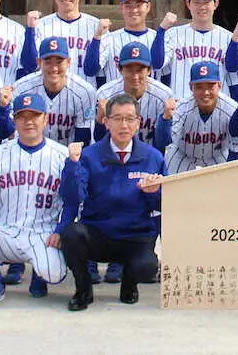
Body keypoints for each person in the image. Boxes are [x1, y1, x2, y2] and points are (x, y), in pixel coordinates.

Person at [0, 92, 82, 306]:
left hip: (42, 234)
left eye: (35, 116)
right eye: (22, 116)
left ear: (46, 119)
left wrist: (60, 230)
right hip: (5, 231)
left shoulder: (62, 155)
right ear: (14, 120)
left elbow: (72, 201)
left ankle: (39, 276)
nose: (28, 122)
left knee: (54, 274)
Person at [61, 93, 165, 311]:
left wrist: (154, 193)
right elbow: (74, 196)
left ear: (138, 122)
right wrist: (72, 165)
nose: (123, 125)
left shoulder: (153, 157)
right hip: (99, 233)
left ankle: (129, 283)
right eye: (117, 118)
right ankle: (83, 290)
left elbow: (163, 206)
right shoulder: (89, 155)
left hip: (135, 235)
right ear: (106, 122)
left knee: (147, 267)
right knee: (71, 234)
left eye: (129, 119)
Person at [156, 61, 238, 173]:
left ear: (219, 86)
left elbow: (237, 148)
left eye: (210, 86)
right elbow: (163, 143)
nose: (205, 92)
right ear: (191, 87)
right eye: (199, 87)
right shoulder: (181, 108)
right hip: (182, 158)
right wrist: (165, 119)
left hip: (217, 158)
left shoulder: (231, 109)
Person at [10, 36, 97, 145]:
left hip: (68, 152)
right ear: (39, 62)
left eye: (59, 62)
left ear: (68, 62)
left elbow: (83, 138)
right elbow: (11, 132)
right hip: (30, 151)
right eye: (48, 62)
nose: (54, 68)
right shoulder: (21, 89)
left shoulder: (84, 92)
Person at [85, 0, 177, 84]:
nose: (134, 10)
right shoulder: (109, 39)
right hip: (117, 94)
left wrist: (162, 30)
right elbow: (90, 70)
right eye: (128, 5)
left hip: (150, 94)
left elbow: (157, 65)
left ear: (148, 7)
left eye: (138, 5)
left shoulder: (160, 38)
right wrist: (97, 37)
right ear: (121, 7)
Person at [96, 42, 176, 147]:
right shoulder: (105, 94)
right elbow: (99, 141)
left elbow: (164, 144)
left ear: (149, 70)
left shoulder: (164, 96)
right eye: (129, 70)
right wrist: (100, 121)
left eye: (140, 70)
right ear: (120, 69)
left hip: (151, 155)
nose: (135, 76)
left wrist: (165, 119)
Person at [159, 0, 232, 93]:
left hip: (217, 102)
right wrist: (161, 29)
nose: (202, 7)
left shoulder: (228, 37)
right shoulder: (173, 34)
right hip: (181, 100)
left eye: (206, 2)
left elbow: (234, 80)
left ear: (215, 4)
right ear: (188, 4)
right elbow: (158, 65)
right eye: (196, 2)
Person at [36, 0, 101, 87]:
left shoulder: (97, 26)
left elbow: (101, 73)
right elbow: (32, 66)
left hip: (86, 94)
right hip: (49, 92)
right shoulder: (40, 26)